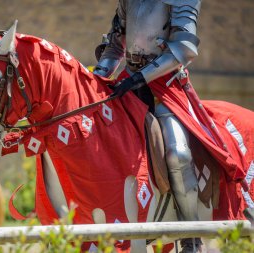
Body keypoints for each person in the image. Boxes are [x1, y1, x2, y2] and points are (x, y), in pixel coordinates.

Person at [94, 1, 202, 252]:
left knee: (178, 154)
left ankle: (192, 237)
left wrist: (140, 78)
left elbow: (185, 48)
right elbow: (114, 45)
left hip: (164, 84)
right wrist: (97, 79)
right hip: (126, 82)